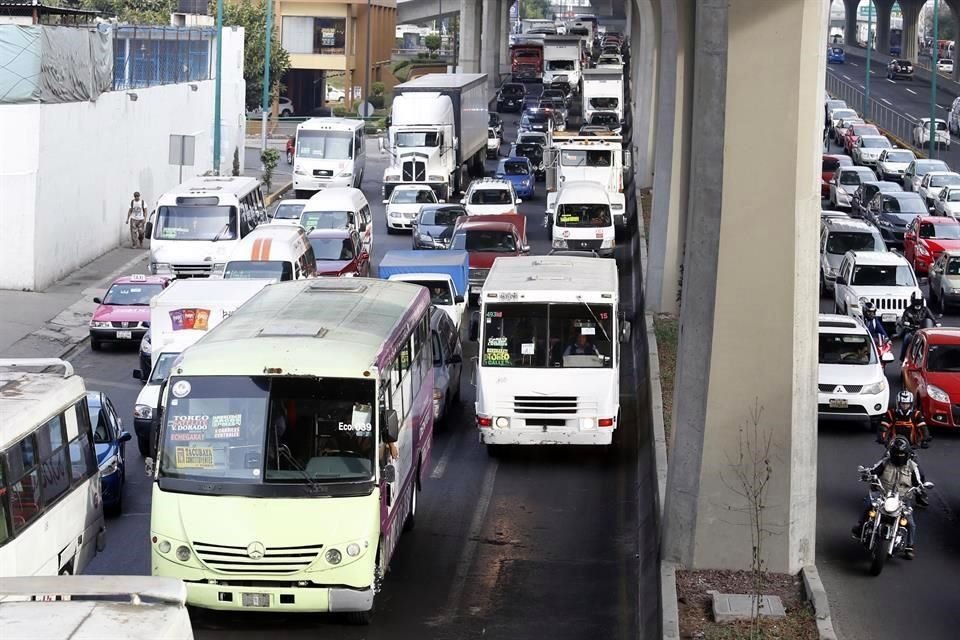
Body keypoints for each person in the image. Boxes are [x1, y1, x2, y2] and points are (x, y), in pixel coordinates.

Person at [852, 436, 923, 559]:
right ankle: (860, 527)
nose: (899, 456)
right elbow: (874, 470)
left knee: (910, 523)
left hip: (902, 498)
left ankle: (909, 546)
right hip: (883, 494)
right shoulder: (885, 462)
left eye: (902, 454)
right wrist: (868, 474)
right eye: (897, 453)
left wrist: (920, 489)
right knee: (868, 504)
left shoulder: (912, 466)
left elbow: (918, 481)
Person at [899, 292, 939, 362]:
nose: (917, 303)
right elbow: (903, 319)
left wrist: (936, 323)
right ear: (912, 301)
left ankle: (932, 359)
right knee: (906, 339)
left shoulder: (925, 309)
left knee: (932, 343)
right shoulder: (908, 310)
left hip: (923, 331)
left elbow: (932, 317)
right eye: (916, 301)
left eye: (919, 301)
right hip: (912, 331)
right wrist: (905, 323)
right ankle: (902, 358)